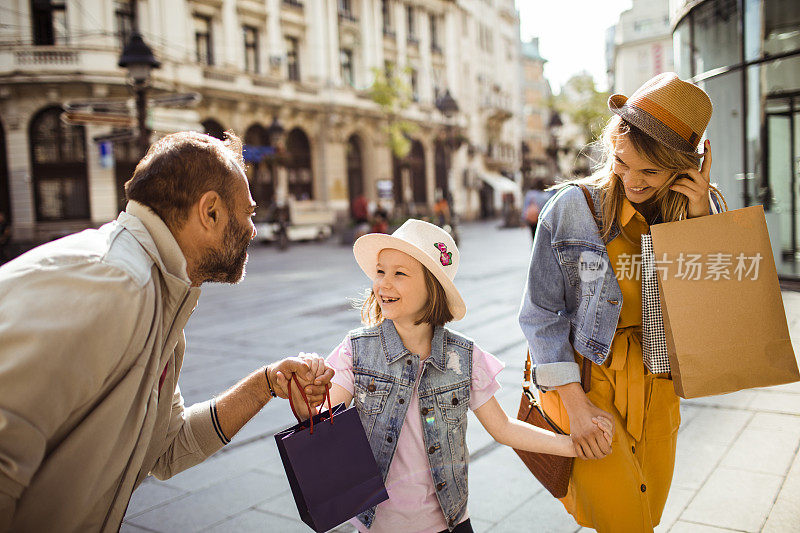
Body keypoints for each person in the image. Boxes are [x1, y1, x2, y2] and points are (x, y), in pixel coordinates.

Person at [0, 131, 334, 532]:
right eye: (248, 213)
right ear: (210, 212)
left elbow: (168, 448)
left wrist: (266, 384)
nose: (253, 230)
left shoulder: (159, 295)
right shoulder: (116, 283)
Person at [288, 219, 612, 533]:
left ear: (432, 289)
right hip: (377, 525)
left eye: (399, 273)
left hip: (450, 521)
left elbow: (503, 428)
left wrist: (574, 446)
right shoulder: (356, 350)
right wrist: (305, 388)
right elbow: (319, 419)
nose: (383, 283)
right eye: (380, 272)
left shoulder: (464, 358)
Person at [518, 73, 724, 532]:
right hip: (592, 382)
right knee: (624, 523)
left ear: (684, 167)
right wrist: (576, 406)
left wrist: (697, 223)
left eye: (649, 172)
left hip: (660, 385)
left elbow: (712, 309)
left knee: (645, 518)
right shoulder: (573, 207)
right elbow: (540, 315)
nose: (630, 179)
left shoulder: (703, 212)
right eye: (621, 162)